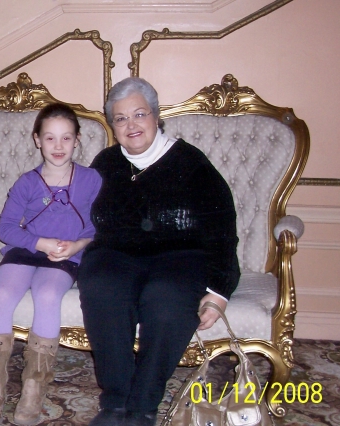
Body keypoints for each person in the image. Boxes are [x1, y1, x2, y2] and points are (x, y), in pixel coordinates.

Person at [77, 77, 240, 426]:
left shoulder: (190, 162)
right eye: (120, 118)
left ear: (156, 116)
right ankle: (115, 404)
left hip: (180, 256)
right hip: (114, 254)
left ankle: (143, 408)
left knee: (166, 300)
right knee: (103, 289)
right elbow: (81, 216)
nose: (131, 125)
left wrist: (219, 290)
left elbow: (223, 230)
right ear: (112, 125)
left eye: (139, 114)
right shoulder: (106, 163)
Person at [0, 103, 103, 425]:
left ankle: (34, 386)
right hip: (28, 249)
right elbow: (5, 228)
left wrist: (77, 244)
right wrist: (38, 242)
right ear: (37, 140)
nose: (58, 146)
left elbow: (102, 223)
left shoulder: (92, 180)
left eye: (66, 138)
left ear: (77, 140)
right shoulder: (27, 182)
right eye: (50, 138)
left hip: (66, 255)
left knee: (48, 296)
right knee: (3, 295)